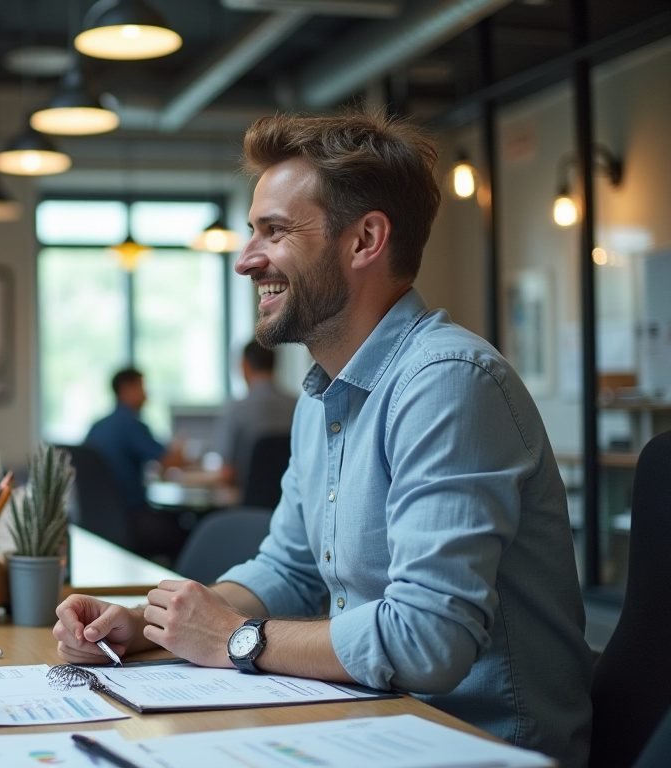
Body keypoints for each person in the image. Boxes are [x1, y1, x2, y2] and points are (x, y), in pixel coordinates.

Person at [52, 112, 591, 766]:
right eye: (252, 232)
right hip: (363, 719)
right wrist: (152, 625)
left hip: (473, 742)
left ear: (365, 239)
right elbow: (289, 568)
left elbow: (427, 641)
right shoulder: (322, 395)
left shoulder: (448, 384)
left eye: (274, 232)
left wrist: (237, 639)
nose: (247, 260)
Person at [83, 367, 181, 507]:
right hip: (132, 514)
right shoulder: (131, 425)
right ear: (125, 390)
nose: (146, 395)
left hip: (100, 516)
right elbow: (169, 461)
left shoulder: (96, 426)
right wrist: (180, 447)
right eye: (141, 387)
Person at [213, 340, 297, 492]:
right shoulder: (298, 405)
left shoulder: (235, 410)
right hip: (291, 500)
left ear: (244, 365)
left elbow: (227, 474)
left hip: (246, 507)